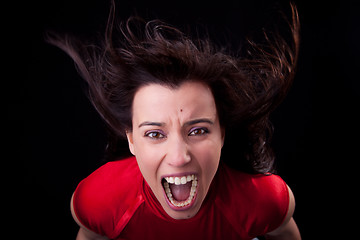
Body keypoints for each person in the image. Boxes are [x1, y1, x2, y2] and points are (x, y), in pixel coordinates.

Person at [47, 2, 301, 239]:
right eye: (155, 134)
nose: (179, 157)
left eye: (198, 130)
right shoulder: (98, 200)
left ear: (221, 135)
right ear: (132, 140)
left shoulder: (265, 201)